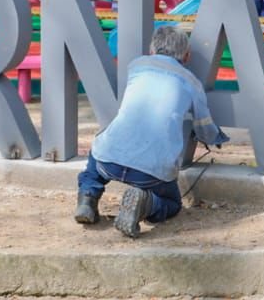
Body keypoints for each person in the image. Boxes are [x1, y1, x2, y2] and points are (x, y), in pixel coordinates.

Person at [74, 26, 228, 239]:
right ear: (187, 55)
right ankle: (147, 202)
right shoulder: (192, 82)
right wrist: (214, 137)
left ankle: (87, 200)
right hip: (151, 173)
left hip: (108, 159)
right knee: (173, 203)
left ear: (152, 49)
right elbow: (203, 124)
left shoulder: (136, 66)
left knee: (94, 166)